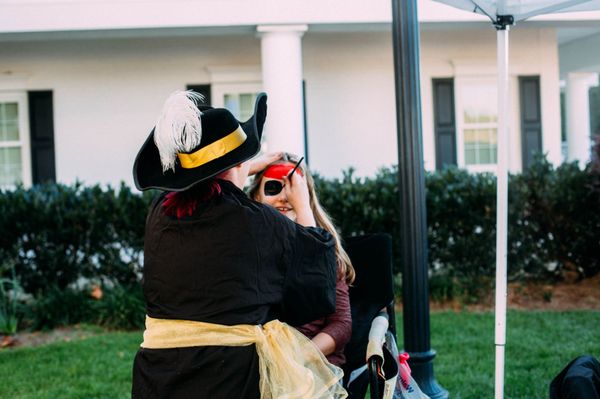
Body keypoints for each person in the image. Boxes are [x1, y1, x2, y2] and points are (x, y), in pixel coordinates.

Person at [131, 90, 347, 398]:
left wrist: (244, 167)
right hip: (228, 377)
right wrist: (303, 206)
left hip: (160, 376)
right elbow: (315, 283)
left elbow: (205, 193)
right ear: (236, 165)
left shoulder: (160, 214)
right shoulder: (257, 223)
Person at [248, 152, 355, 367]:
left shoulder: (326, 252)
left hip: (312, 366)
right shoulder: (244, 248)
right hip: (257, 366)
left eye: (293, 189)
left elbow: (341, 325)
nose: (284, 197)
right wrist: (247, 168)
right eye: (273, 188)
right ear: (256, 197)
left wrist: (295, 360)